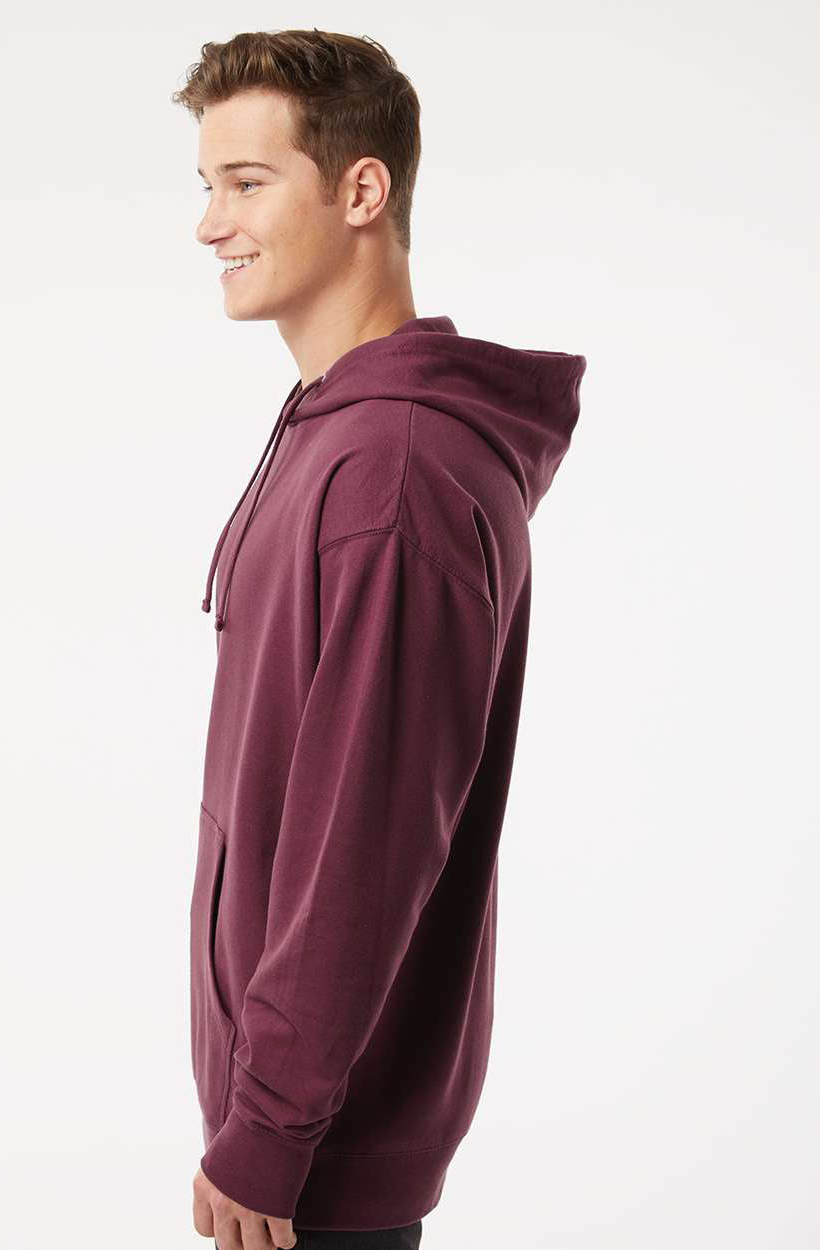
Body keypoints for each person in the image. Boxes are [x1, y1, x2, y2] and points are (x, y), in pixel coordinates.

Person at [172, 28, 586, 1250]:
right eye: (207, 185)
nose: (209, 224)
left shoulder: (393, 470)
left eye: (246, 182)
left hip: (315, 1159)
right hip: (299, 1135)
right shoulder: (337, 437)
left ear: (362, 189)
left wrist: (269, 1125)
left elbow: (365, 837)